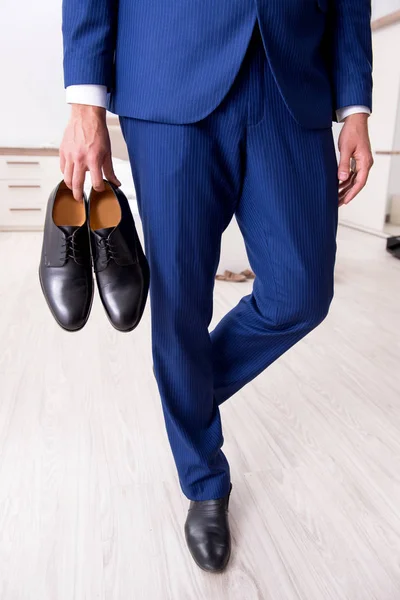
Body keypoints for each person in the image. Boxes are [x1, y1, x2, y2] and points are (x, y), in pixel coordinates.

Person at [60, 0, 373, 573]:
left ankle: (187, 395)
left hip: (291, 80)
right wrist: (85, 103)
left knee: (301, 292)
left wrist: (355, 104)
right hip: (169, 70)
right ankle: (204, 481)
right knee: (179, 305)